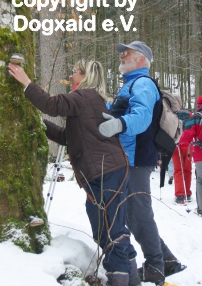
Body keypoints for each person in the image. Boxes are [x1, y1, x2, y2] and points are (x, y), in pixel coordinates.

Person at [8, 60, 142, 286]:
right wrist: (38, 123)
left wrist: (26, 82)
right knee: (105, 228)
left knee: (110, 229)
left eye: (74, 72)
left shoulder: (85, 97)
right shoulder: (91, 101)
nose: (70, 76)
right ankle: (132, 278)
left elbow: (53, 104)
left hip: (107, 172)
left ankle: (119, 279)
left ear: (86, 75)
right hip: (106, 172)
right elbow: (68, 137)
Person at [98, 41, 185, 285]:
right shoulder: (130, 85)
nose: (122, 56)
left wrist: (119, 124)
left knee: (138, 213)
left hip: (136, 157)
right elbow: (120, 110)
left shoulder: (143, 84)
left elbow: (141, 117)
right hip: (129, 156)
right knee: (134, 214)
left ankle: (156, 266)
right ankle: (166, 259)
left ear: (141, 60)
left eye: (127, 53)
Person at [179, 95, 202, 216]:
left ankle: (201, 209)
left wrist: (181, 143)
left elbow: (187, 133)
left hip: (200, 154)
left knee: (200, 180)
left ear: (198, 106)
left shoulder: (197, 117)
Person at [172, 109, 192, 205]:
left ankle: (180, 195)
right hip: (188, 145)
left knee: (178, 170)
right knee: (187, 169)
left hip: (176, 145)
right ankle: (187, 192)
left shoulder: (172, 116)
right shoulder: (190, 115)